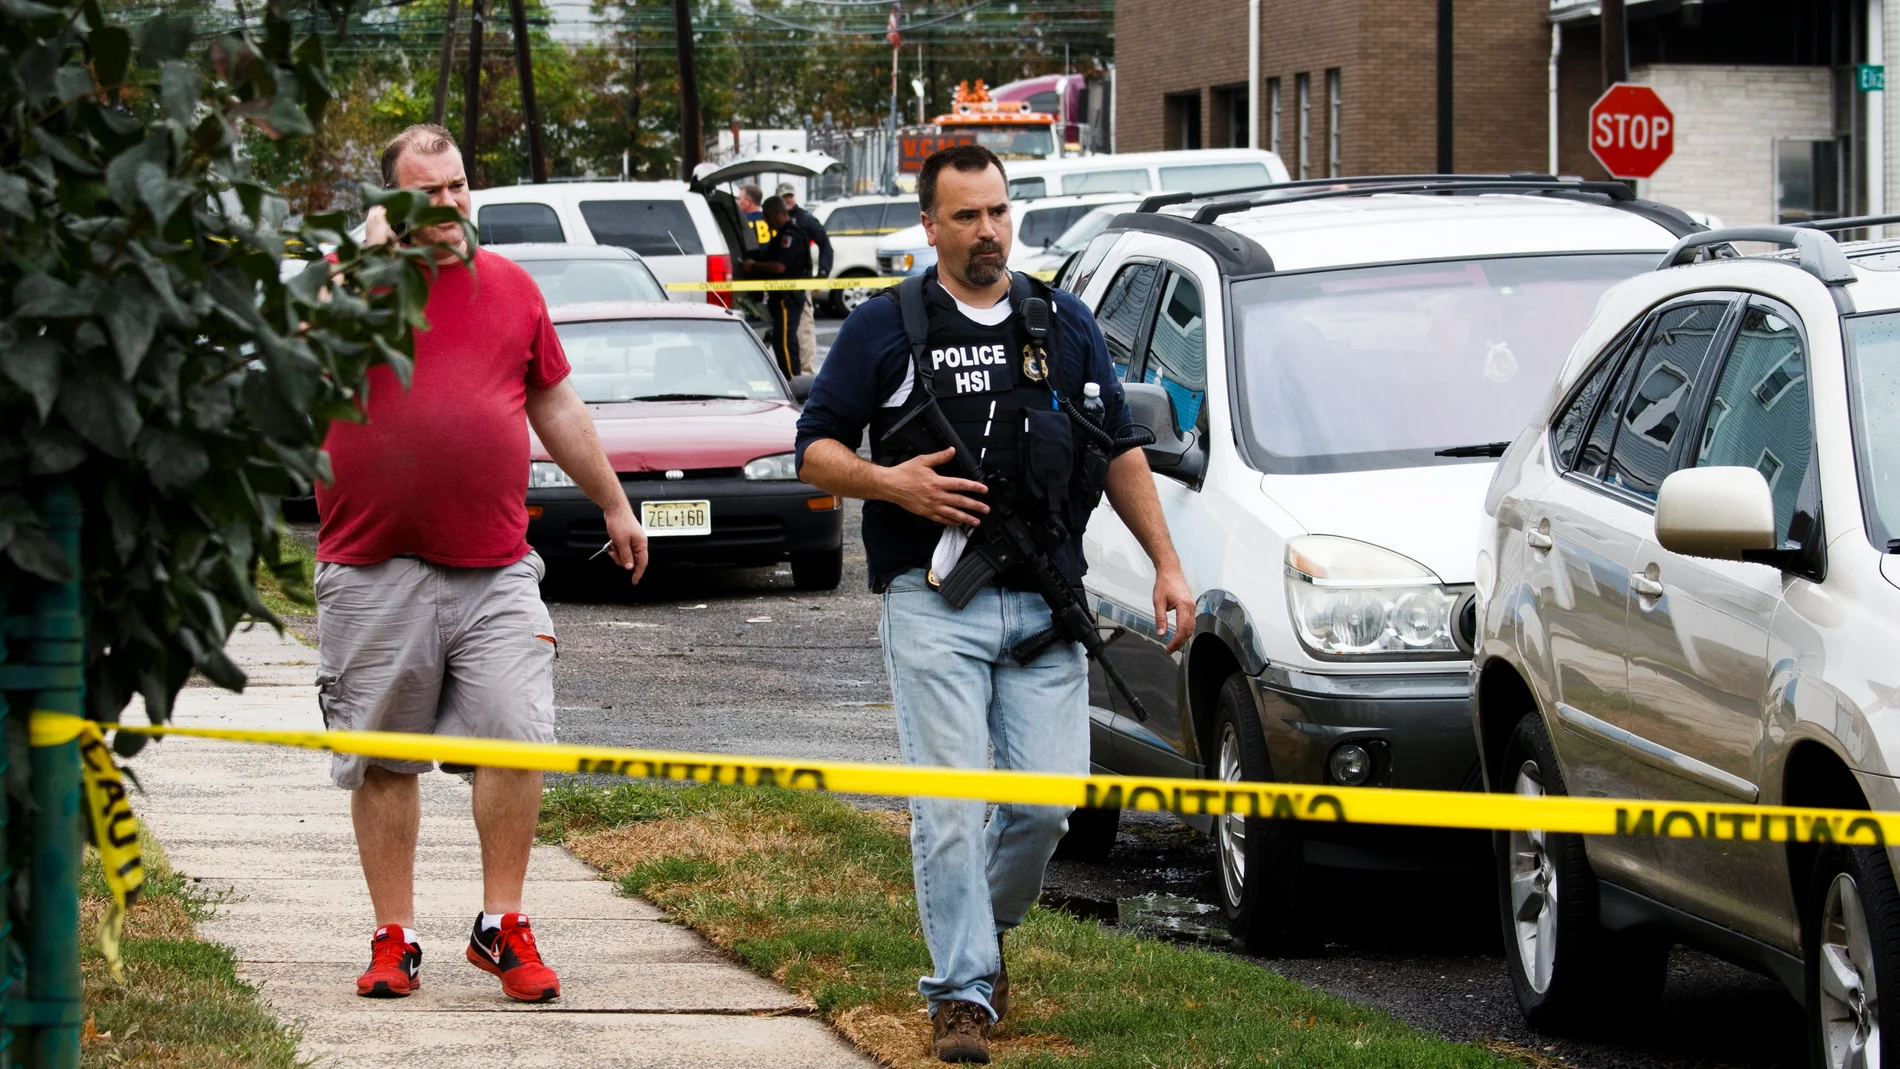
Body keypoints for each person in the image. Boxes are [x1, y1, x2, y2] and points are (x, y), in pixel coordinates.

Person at [793, 145, 1194, 1064]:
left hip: (1046, 600)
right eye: (967, 216)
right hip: (934, 599)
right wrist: (892, 483)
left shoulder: (1062, 321)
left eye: (998, 212)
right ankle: (961, 994)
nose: (988, 231)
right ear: (929, 225)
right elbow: (815, 449)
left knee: (1046, 806)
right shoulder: (886, 326)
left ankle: (982, 927)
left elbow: (1118, 447)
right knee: (947, 808)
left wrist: (1167, 565)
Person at [315, 123, 649, 1005]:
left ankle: (502, 923)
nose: (450, 204)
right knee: (384, 759)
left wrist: (614, 501)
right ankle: (395, 936)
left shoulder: (511, 288)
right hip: (371, 564)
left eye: (458, 185)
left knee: (517, 736)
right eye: (425, 192)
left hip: (496, 565)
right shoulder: (346, 287)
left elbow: (556, 404)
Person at [745, 194, 812, 381]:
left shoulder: (789, 236)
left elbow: (779, 267)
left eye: (767, 217)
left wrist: (754, 266)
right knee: (781, 341)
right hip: (782, 298)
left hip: (787, 298)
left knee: (784, 343)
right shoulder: (782, 235)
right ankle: (790, 379)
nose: (766, 222)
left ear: (776, 213)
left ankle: (792, 381)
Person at [777, 181, 832, 374]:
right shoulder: (771, 219)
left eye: (790, 196)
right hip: (775, 284)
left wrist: (822, 273)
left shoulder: (805, 219)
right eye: (783, 197)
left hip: (800, 284)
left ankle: (806, 373)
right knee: (779, 332)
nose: (788, 200)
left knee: (803, 329)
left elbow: (825, 243)